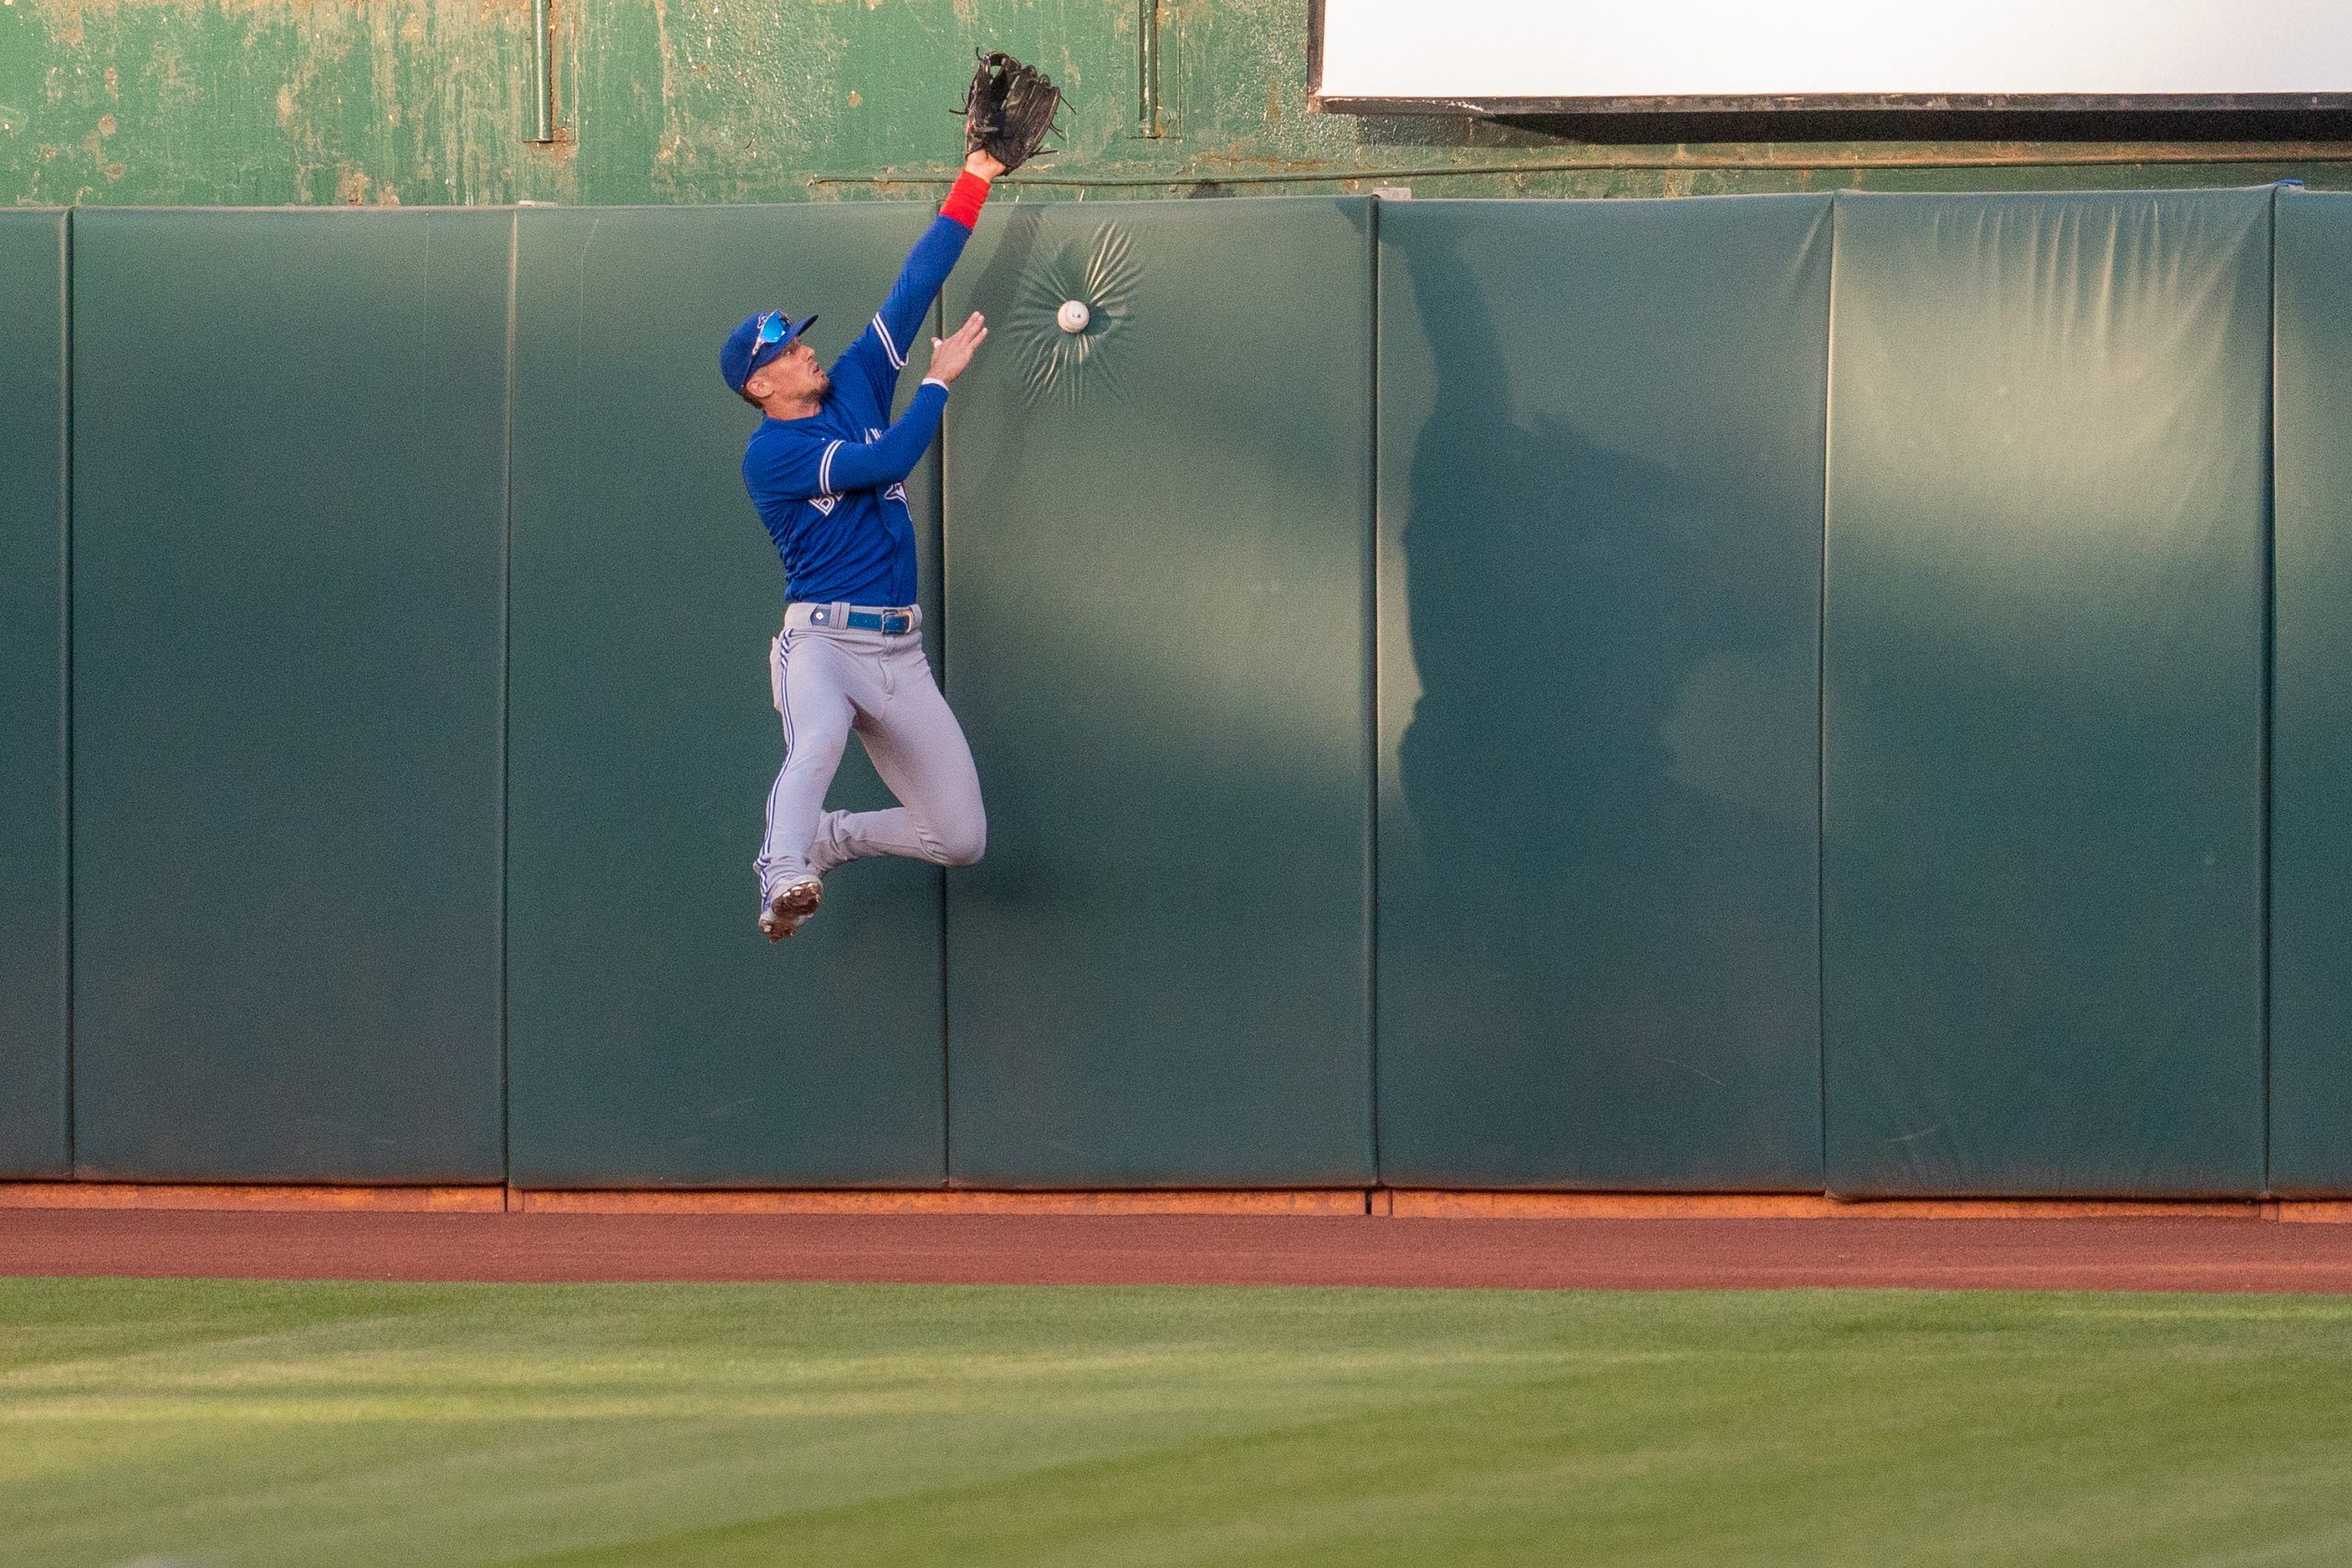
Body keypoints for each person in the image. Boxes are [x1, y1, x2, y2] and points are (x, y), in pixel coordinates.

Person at [718, 146, 1005, 942]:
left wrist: (976, 174)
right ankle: (781, 875)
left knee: (961, 837)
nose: (805, 349)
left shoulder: (853, 383)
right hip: (824, 644)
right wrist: (939, 381)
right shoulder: (769, 457)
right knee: (815, 741)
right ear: (760, 386)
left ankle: (833, 839)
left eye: (799, 341)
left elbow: (914, 285)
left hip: (900, 654)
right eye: (785, 352)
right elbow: (886, 460)